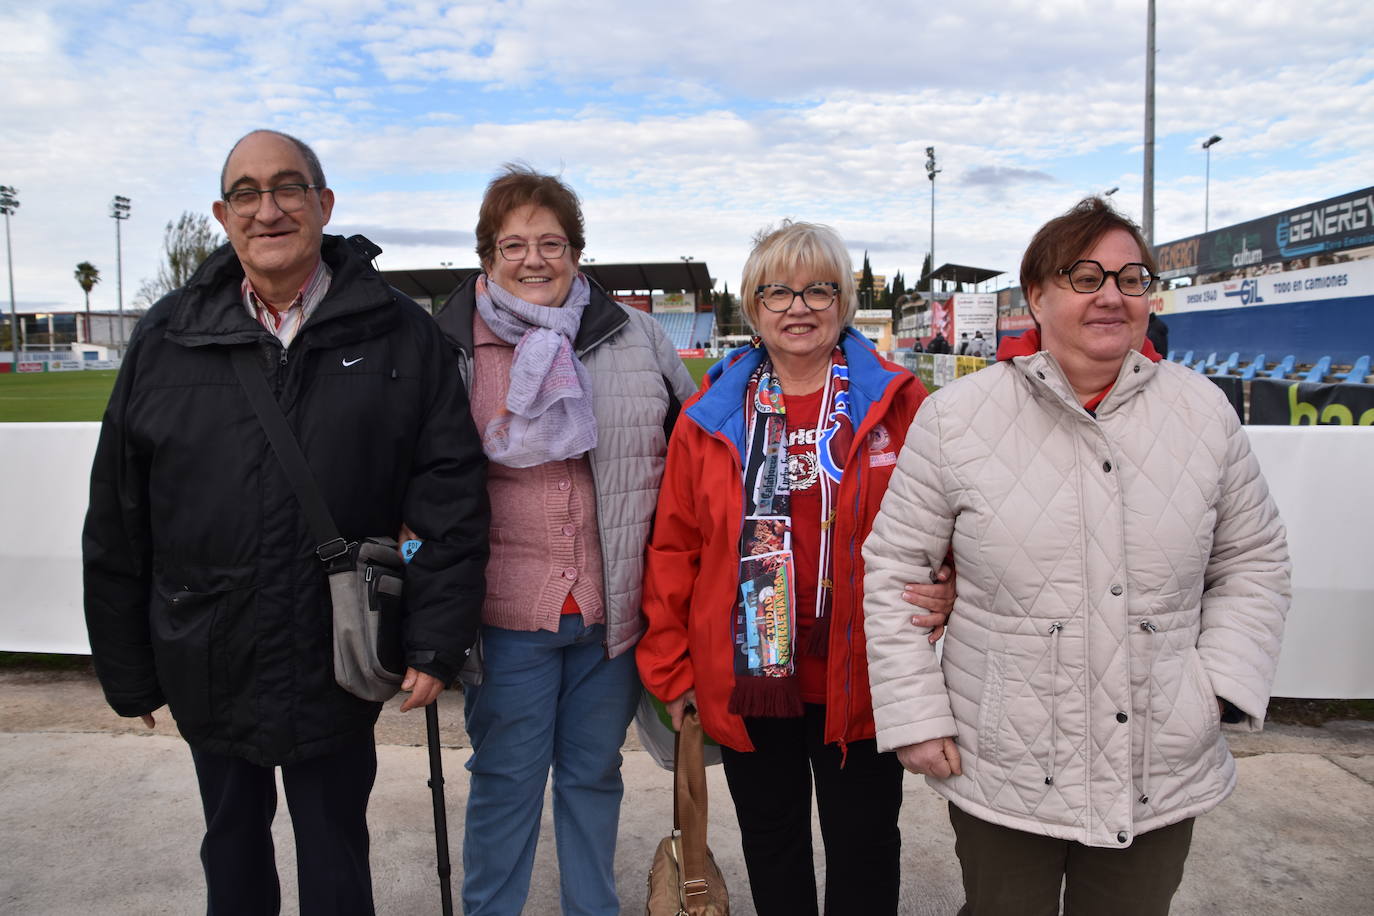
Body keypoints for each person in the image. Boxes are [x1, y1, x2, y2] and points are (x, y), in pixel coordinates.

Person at [82, 129, 489, 914]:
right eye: (246, 193)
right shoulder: (167, 337)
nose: (267, 209)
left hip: (333, 653)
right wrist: (125, 664)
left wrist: (437, 638)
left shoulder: (400, 331)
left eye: (287, 188)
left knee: (337, 850)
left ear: (323, 203)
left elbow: (450, 495)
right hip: (208, 648)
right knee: (231, 850)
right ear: (223, 214)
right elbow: (119, 514)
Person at [862, 197, 1291, 915]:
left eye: (1132, 278)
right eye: (1086, 276)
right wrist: (917, 714)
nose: (1113, 296)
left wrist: (1213, 690)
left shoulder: (1203, 412)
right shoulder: (957, 419)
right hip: (1002, 759)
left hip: (1159, 757)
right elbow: (896, 573)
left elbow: (1253, 562)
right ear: (1037, 295)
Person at [637, 220, 955, 916]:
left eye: (819, 289)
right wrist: (672, 670)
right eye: (778, 291)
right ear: (752, 305)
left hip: (865, 672)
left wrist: (952, 582)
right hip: (753, 682)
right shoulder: (710, 413)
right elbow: (675, 548)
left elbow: (954, 520)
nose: (798, 306)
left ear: (843, 302)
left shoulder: (900, 405)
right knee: (773, 847)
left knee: (865, 848)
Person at [432, 165, 697, 916]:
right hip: (506, 617)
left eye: (552, 242)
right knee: (507, 782)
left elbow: (696, 450)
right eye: (513, 244)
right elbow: (414, 481)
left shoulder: (637, 337)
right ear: (487, 256)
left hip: (611, 617)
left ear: (577, 252)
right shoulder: (449, 347)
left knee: (591, 777)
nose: (534, 259)